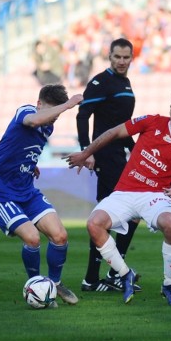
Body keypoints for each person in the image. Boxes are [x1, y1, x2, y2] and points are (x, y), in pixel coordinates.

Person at [65, 92, 171, 306]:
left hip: (156, 195)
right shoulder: (152, 121)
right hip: (126, 191)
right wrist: (85, 152)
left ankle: (169, 284)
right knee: (94, 224)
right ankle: (125, 274)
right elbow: (113, 132)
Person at [0, 84, 82, 307]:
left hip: (26, 190)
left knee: (60, 236)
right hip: (0, 193)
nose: (51, 119)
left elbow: (22, 147)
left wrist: (29, 165)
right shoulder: (26, 112)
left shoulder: (48, 128)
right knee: (32, 238)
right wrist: (67, 105)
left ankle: (54, 284)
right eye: (50, 112)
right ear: (39, 105)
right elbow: (33, 121)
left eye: (55, 117)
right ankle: (36, 286)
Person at [76, 38, 140, 293]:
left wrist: (137, 151)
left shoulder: (124, 82)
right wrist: (86, 151)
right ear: (109, 56)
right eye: (117, 57)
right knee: (114, 216)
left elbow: (123, 126)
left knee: (128, 215)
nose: (122, 61)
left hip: (118, 155)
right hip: (105, 155)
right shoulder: (100, 82)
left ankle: (102, 275)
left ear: (131, 58)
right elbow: (82, 115)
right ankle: (104, 276)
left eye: (126, 57)